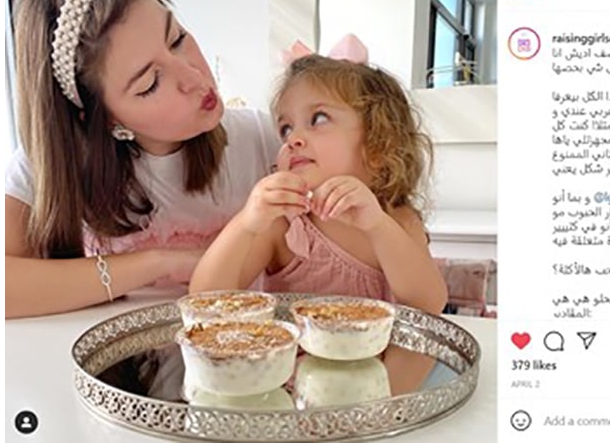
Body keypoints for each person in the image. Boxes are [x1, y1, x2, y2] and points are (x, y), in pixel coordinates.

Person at [4, 0, 281, 319]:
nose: (194, 77)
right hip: (118, 367)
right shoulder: (51, 165)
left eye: (177, 39)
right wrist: (159, 263)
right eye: (150, 83)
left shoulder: (260, 138)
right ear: (101, 118)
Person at [189, 36, 448, 318]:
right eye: (286, 128)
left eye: (318, 119)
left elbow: (429, 305)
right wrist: (246, 224)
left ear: (377, 145)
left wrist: (377, 226)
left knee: (418, 353)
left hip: (374, 360)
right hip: (300, 361)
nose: (294, 139)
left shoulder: (397, 219)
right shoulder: (284, 225)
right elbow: (205, 302)